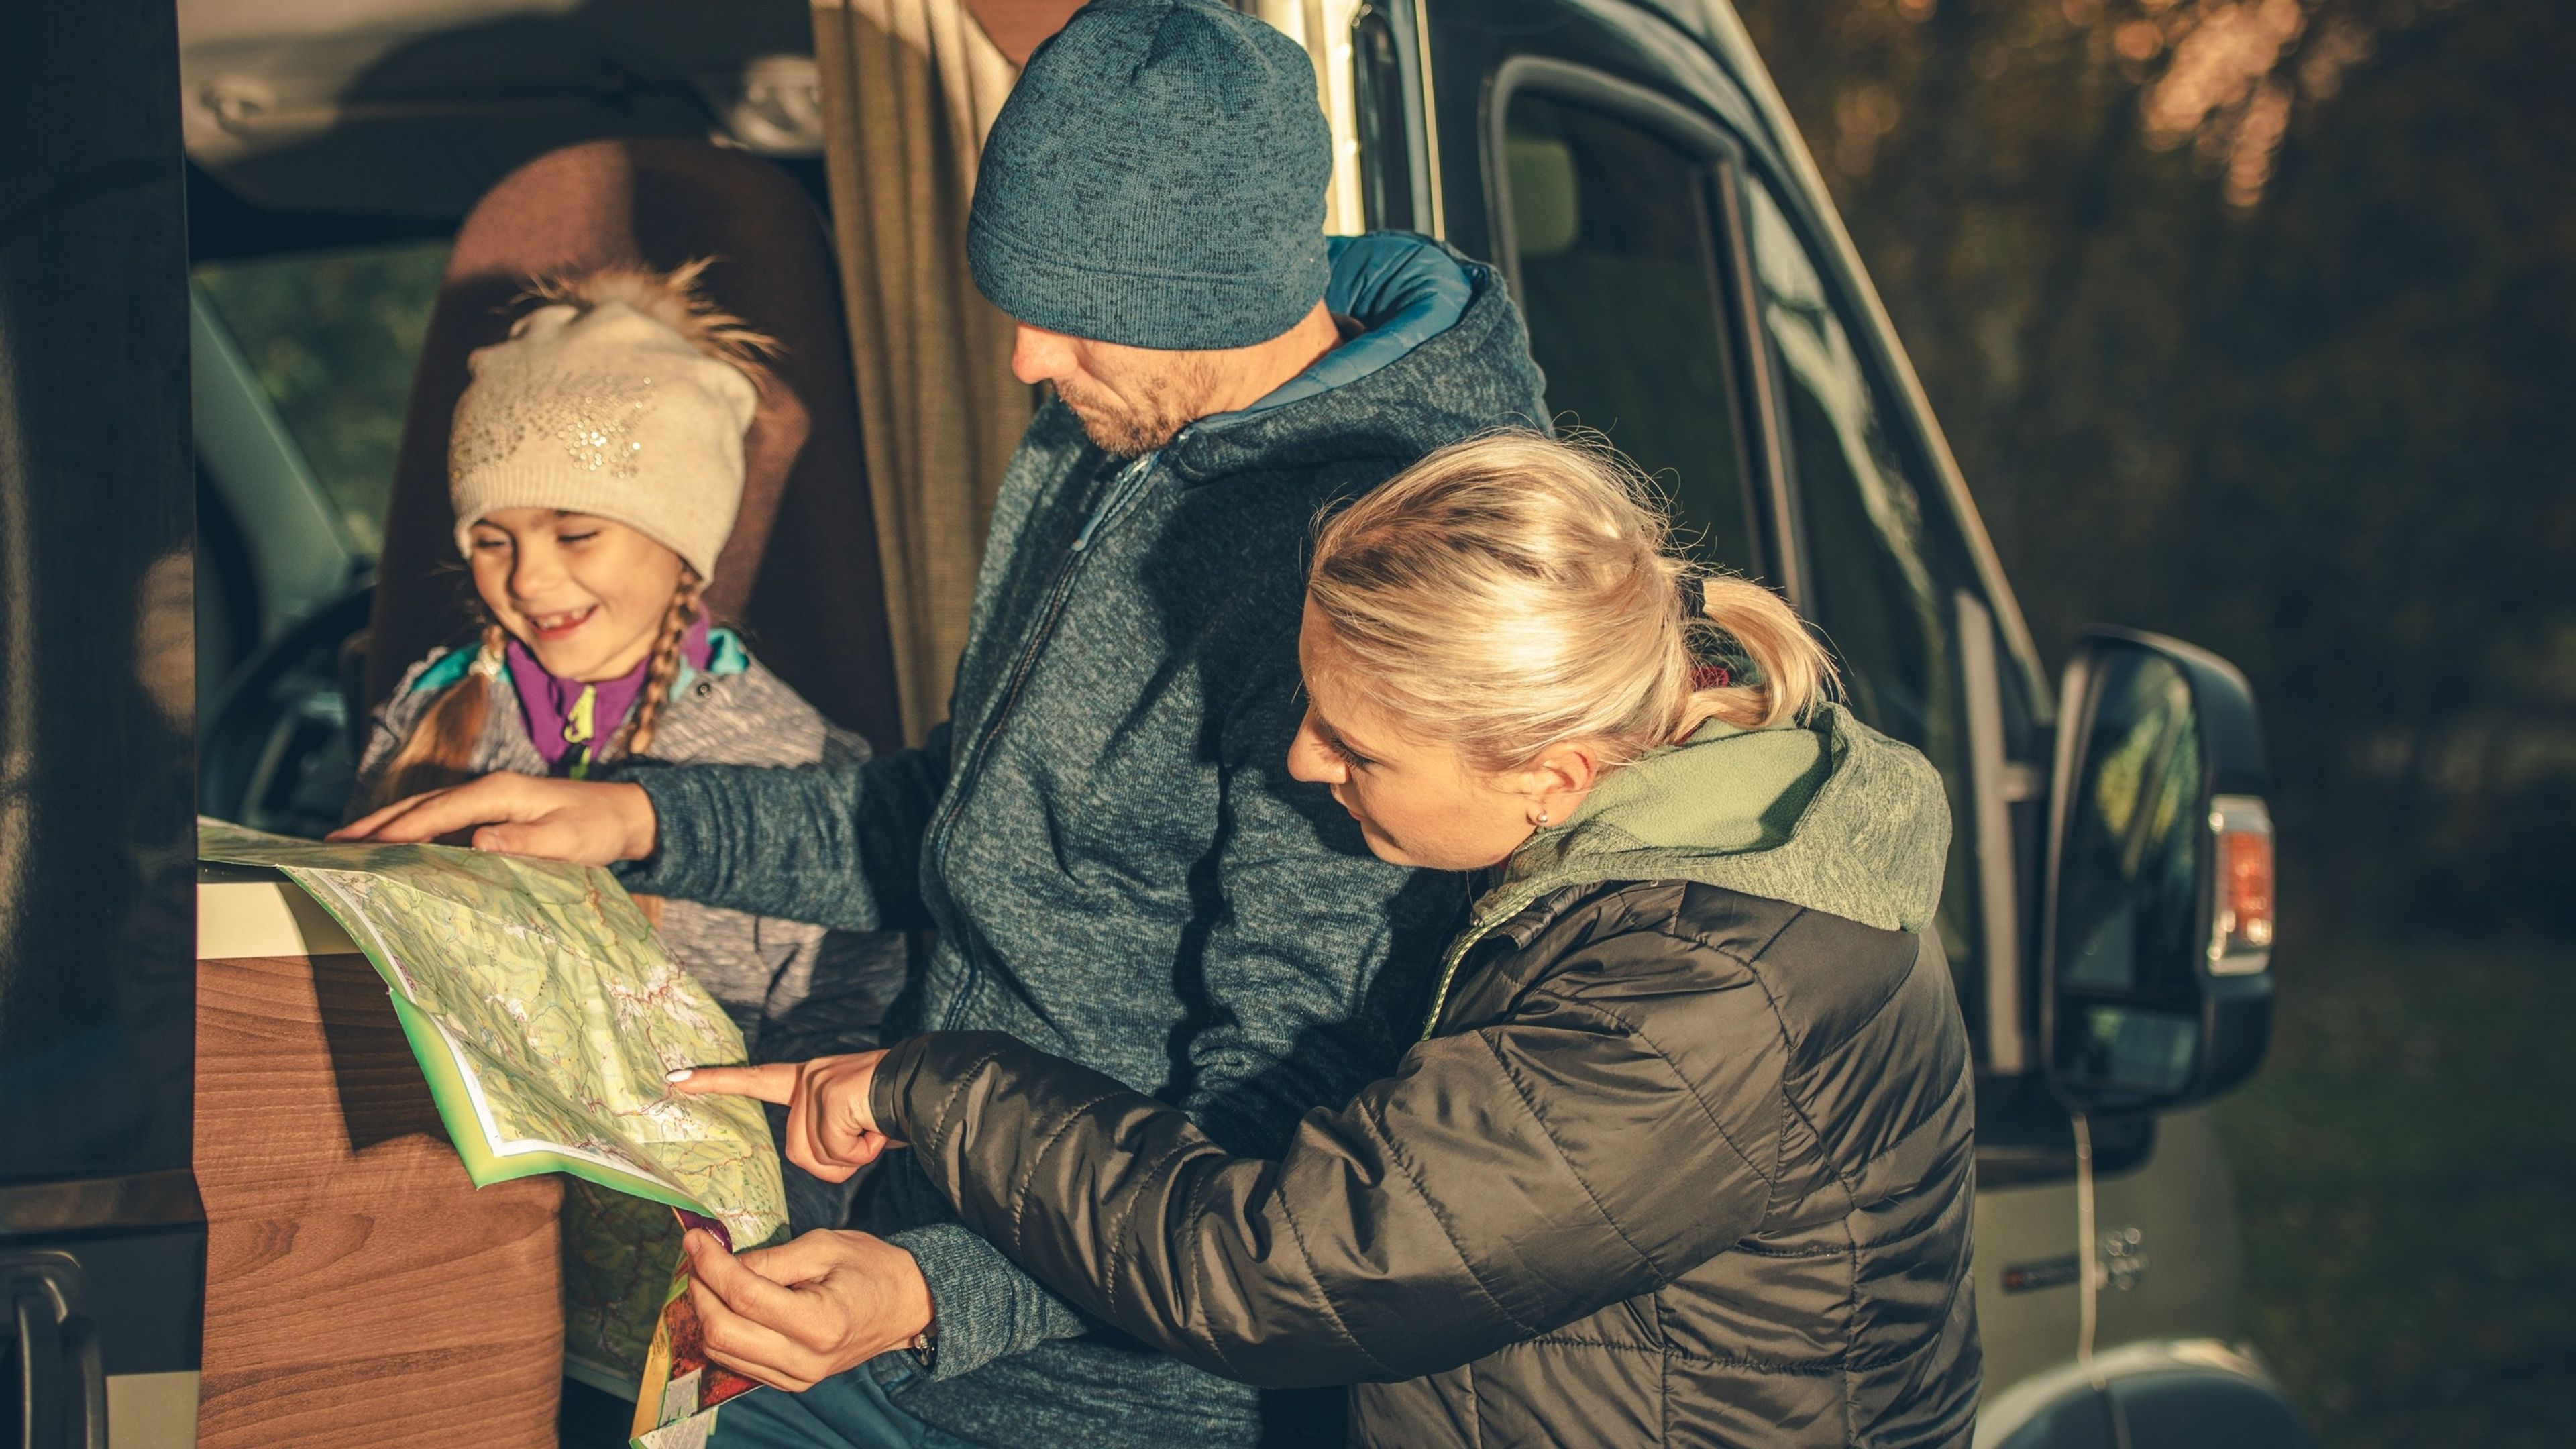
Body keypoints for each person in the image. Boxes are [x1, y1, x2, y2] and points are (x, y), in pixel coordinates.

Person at [334, 1, 1553, 1444]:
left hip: (1113, 1386)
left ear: (1213, 286)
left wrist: (937, 1293)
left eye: (1076, 314)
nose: (1029, 357)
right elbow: (968, 823)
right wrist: (644, 817)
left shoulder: (1377, 578)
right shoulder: (1124, 419)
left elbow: (1284, 1136)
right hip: (921, 1278)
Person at [670, 431, 1983, 1448]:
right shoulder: (1653, 859)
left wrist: (932, 1087)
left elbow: (1280, 1263)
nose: (1302, 760)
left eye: (1357, 745)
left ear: (1553, 768)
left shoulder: (1692, 1002)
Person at [345, 261, 908, 1379]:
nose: (529, 578)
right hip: (440, 1231)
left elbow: (835, 1044)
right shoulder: (430, 708)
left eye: (576, 532)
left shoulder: (789, 762)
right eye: (491, 538)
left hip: (677, 1256)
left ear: (683, 542)